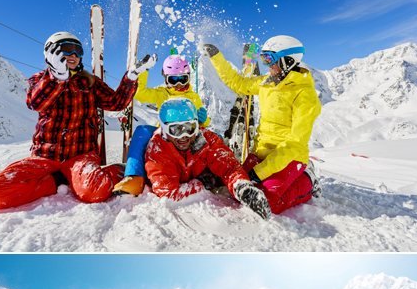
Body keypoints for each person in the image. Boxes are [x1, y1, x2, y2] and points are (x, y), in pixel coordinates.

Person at [0, 31, 138, 209]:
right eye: (67, 49)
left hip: (81, 156)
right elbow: (36, 102)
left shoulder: (90, 83)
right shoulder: (40, 80)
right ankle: (58, 179)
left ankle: (119, 170)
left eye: (78, 51)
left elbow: (116, 103)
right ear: (51, 53)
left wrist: (130, 79)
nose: (74, 55)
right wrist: (57, 78)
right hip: (45, 156)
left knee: (94, 191)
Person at [203, 35, 321, 213]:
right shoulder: (267, 83)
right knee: (238, 189)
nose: (267, 65)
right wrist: (216, 57)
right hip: (261, 152)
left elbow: (295, 145)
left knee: (268, 203)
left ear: (288, 60)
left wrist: (260, 172)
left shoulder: (304, 95)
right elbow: (239, 83)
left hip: (289, 158)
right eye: (264, 59)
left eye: (270, 59)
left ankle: (308, 180)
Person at [144, 99, 271, 219]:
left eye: (190, 128)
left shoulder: (206, 139)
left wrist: (241, 186)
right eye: (176, 130)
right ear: (164, 130)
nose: (184, 136)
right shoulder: (158, 149)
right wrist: (201, 184)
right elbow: (168, 194)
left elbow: (229, 166)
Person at [116, 51, 209, 198]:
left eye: (182, 79)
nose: (178, 84)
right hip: (165, 134)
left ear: (188, 78)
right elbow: (140, 94)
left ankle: (207, 174)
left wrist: (204, 119)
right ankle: (133, 176)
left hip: (186, 135)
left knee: (209, 138)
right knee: (142, 131)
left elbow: (203, 123)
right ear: (166, 79)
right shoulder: (161, 93)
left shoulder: (193, 97)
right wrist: (144, 70)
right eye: (173, 79)